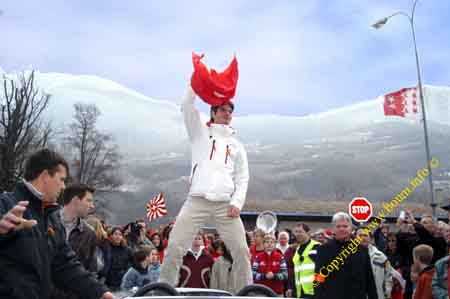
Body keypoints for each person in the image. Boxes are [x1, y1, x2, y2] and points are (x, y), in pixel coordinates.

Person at [159, 84, 252, 290]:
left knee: (241, 251)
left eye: (230, 111)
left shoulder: (236, 145)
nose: (227, 114)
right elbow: (186, 104)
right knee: (174, 246)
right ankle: (163, 289)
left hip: (225, 204)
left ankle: (246, 293)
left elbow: (243, 177)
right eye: (222, 110)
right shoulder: (199, 133)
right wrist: (195, 83)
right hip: (197, 200)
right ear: (213, 112)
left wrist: (237, 201)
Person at [0, 148, 113, 299]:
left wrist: (100, 292)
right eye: (61, 179)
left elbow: (66, 264)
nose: (64, 187)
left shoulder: (52, 218)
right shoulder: (5, 204)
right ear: (46, 176)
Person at [314, 212, 377, 299]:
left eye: (345, 226)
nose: (342, 229)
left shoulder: (362, 250)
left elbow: (369, 279)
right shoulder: (323, 249)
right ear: (333, 229)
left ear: (351, 228)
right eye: (338, 226)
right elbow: (319, 277)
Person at [356, 227, 393, 299]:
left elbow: (389, 275)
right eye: (360, 235)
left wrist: (387, 292)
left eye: (365, 235)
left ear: (370, 238)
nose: (363, 238)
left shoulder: (381, 256)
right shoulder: (349, 257)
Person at [286, 223, 320, 299]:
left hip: (313, 292)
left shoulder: (317, 247)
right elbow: (295, 271)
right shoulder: (297, 250)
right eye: (296, 232)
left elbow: (323, 270)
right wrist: (290, 287)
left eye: (300, 232)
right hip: (299, 293)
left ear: (308, 233)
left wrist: (319, 288)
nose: (297, 234)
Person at [103, 226, 133, 291]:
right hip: (108, 283)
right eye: (115, 234)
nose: (118, 236)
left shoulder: (127, 250)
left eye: (120, 234)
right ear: (111, 236)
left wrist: (126, 271)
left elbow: (134, 263)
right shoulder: (106, 248)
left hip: (122, 281)